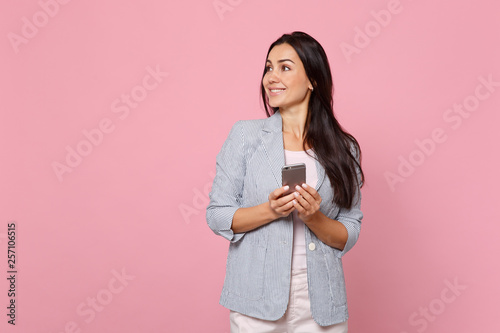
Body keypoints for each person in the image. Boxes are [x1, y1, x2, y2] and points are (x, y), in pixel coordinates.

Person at [206, 31, 365, 333]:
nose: (271, 77)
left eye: (285, 67)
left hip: (321, 304)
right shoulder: (245, 136)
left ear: (312, 80)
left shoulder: (344, 148)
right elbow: (217, 215)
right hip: (256, 300)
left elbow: (350, 230)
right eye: (268, 67)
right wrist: (270, 210)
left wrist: (313, 217)